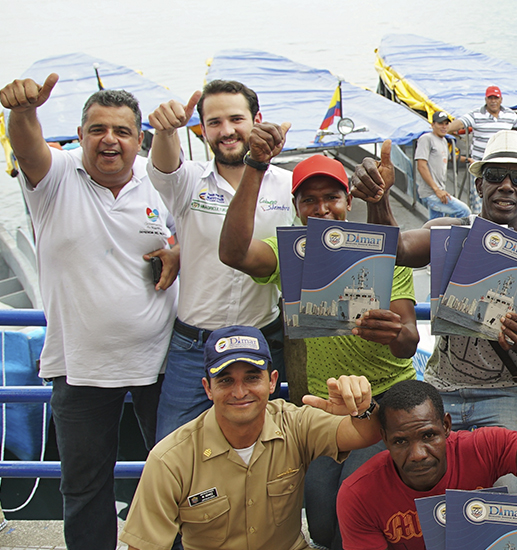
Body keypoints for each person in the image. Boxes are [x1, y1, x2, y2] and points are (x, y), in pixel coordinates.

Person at [219, 122, 421, 549]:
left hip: (383, 400)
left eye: (332, 197)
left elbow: (408, 344)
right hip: (323, 406)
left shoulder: (383, 250)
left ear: (349, 201)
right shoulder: (291, 252)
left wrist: (391, 333)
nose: (322, 208)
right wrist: (254, 165)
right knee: (323, 521)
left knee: (356, 509)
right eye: (309, 200)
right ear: (295, 207)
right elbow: (234, 253)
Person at [1, 75, 179, 550]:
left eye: (122, 131)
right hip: (80, 367)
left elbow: (194, 234)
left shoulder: (158, 180)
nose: (109, 140)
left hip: (160, 363)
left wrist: (179, 251)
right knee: (84, 489)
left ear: (139, 139)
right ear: (80, 136)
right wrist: (23, 111)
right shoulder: (55, 176)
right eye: (97, 129)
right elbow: (28, 148)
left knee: (178, 481)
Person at [351, 129, 517, 494]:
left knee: (507, 491)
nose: (506, 185)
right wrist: (379, 198)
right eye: (495, 175)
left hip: (506, 392)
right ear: (480, 185)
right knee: (415, 485)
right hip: (441, 386)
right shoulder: (447, 235)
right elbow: (395, 250)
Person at [119, 325, 383, 550]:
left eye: (252, 378)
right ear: (208, 388)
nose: (239, 392)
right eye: (225, 381)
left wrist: (362, 407)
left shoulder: (294, 423)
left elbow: (365, 433)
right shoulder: (171, 459)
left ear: (272, 381)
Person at [337, 332, 517, 550]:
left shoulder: (485, 447)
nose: (418, 454)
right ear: (384, 439)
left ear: (446, 426)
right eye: (401, 442)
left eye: (428, 436)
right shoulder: (359, 494)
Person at [147, 80, 295, 443]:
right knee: (172, 448)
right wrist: (166, 131)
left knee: (264, 450)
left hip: (263, 340)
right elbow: (164, 165)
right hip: (194, 346)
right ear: (201, 129)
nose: (226, 131)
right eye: (214, 122)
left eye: (236, 119)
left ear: (257, 119)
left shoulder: (288, 185)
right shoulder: (187, 181)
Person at [446, 85, 517, 212]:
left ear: (501, 99)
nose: (493, 101)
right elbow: (458, 124)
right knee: (478, 199)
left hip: (503, 164)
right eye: (490, 98)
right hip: (481, 164)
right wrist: (443, 129)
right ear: (486, 100)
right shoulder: (476, 114)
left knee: (503, 197)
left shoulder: (509, 114)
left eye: (496, 98)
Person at [414, 110, 471, 220]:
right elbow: (421, 166)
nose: (444, 127)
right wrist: (437, 190)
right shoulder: (426, 138)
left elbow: (450, 157)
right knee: (464, 211)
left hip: (439, 191)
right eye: (440, 123)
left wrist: (468, 160)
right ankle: (458, 232)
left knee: (436, 224)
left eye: (446, 124)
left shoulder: (444, 140)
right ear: (432, 125)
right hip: (432, 192)